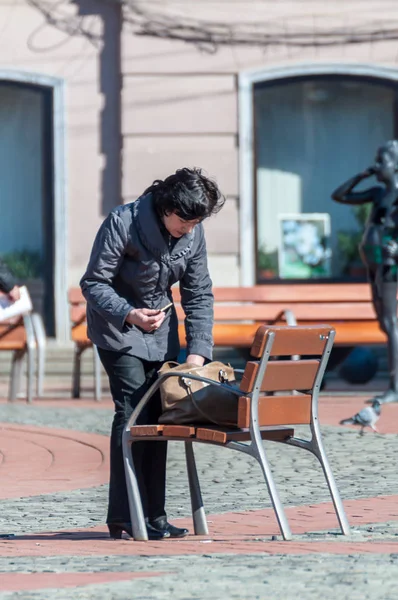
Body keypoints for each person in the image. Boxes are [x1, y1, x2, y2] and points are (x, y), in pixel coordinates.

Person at [80, 167, 225, 540]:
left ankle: (154, 516)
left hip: (162, 335)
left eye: (196, 223)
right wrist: (128, 312)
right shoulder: (122, 222)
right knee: (131, 414)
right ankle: (126, 516)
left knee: (160, 418)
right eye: (184, 221)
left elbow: (198, 292)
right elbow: (93, 282)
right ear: (165, 206)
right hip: (118, 331)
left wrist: (197, 354)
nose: (188, 230)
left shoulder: (193, 233)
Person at [331, 140, 398, 404]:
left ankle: (395, 385)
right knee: (385, 323)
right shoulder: (379, 194)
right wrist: (362, 175)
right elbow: (339, 195)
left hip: (389, 263)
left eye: (383, 161)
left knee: (391, 323)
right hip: (373, 261)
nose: (377, 166)